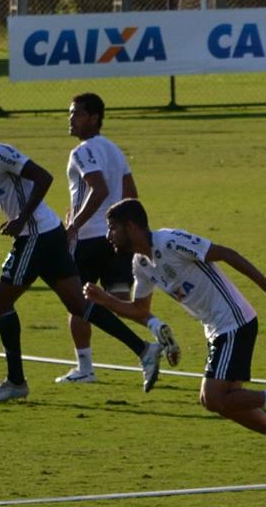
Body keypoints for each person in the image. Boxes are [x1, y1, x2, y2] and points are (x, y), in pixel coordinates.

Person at [0, 114, 163, 404]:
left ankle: (16, 382)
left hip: (37, 236)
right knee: (78, 305)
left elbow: (44, 177)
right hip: (49, 233)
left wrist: (21, 218)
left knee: (0, 303)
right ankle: (144, 349)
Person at [91, 199, 266, 473]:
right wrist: (104, 300)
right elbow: (140, 310)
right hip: (216, 329)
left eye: (113, 228)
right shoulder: (141, 263)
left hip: (234, 322)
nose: (108, 236)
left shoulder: (171, 241)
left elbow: (227, 254)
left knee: (214, 399)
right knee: (221, 401)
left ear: (131, 227)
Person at [57, 92, 177, 383]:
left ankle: (85, 368)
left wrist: (75, 225)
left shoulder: (82, 151)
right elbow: (131, 196)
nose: (70, 119)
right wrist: (123, 232)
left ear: (94, 118)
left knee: (77, 303)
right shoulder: (114, 150)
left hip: (87, 240)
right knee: (118, 300)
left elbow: (97, 189)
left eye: (77, 114)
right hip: (116, 241)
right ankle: (156, 326)